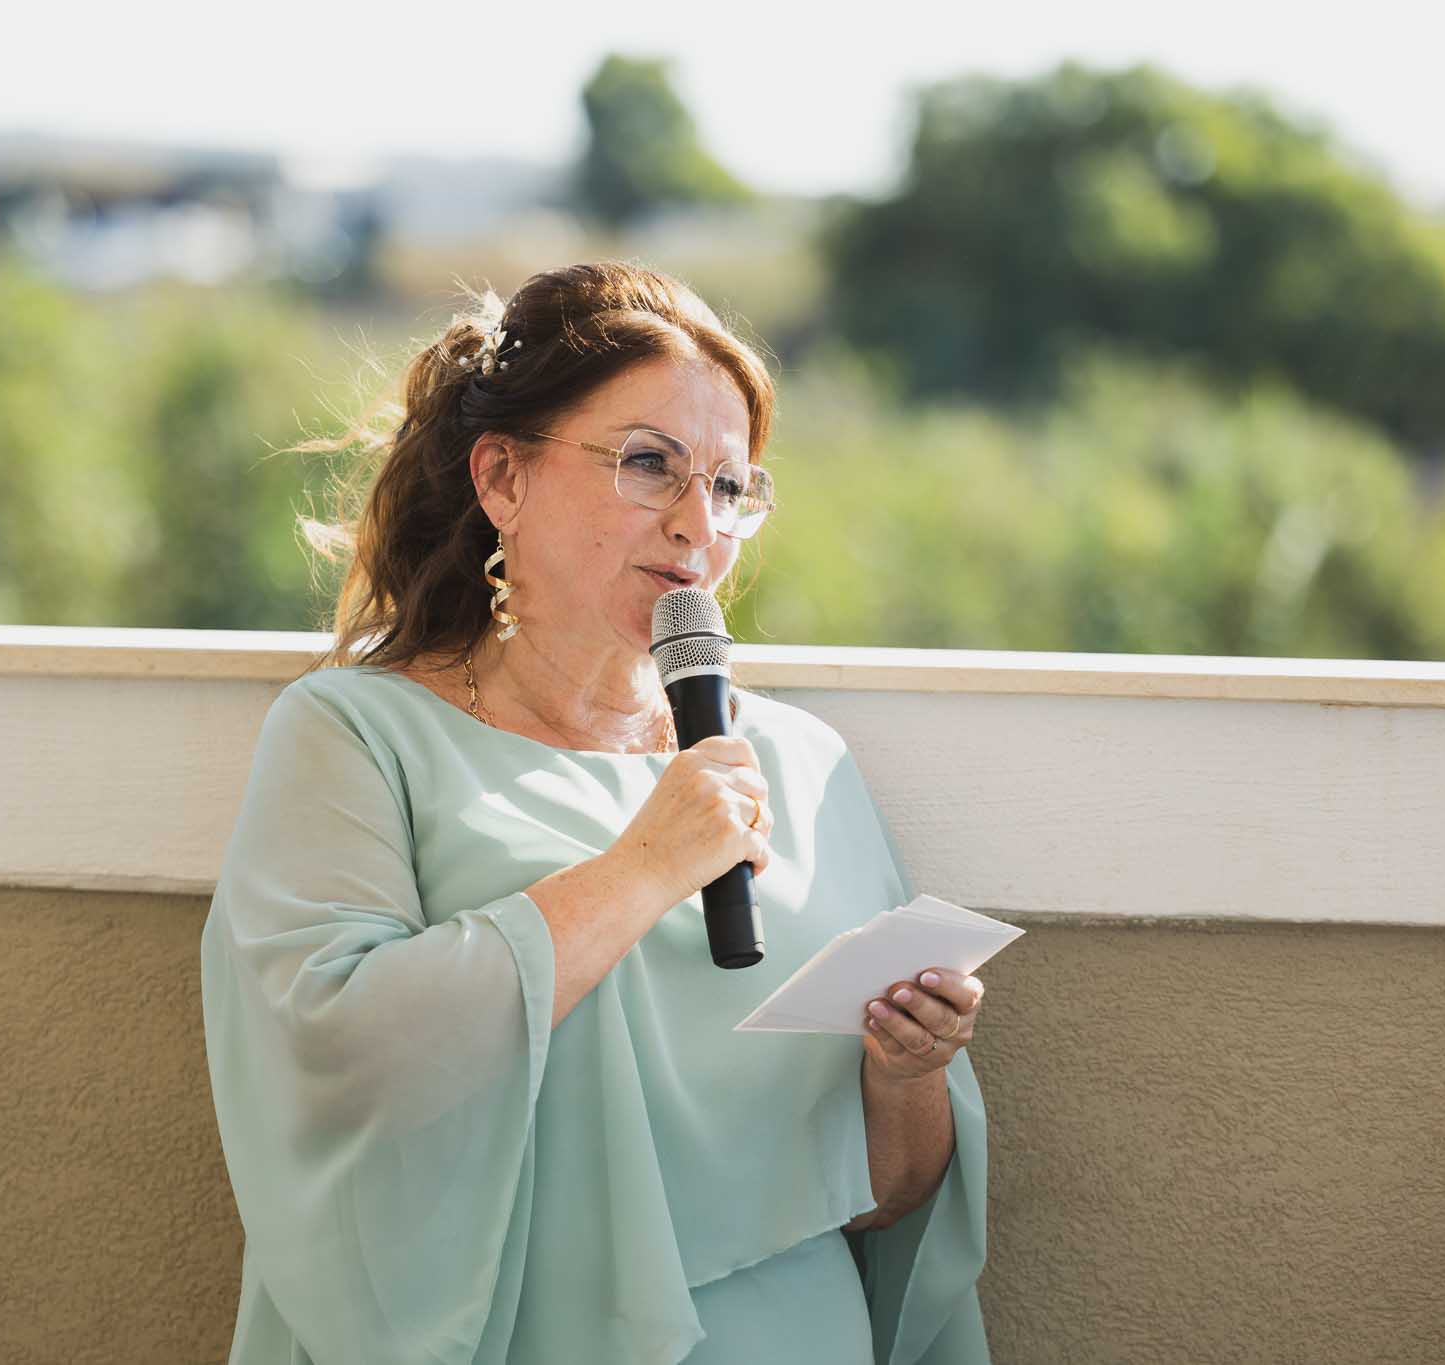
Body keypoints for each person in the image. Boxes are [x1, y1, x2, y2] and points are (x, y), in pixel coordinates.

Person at [199, 262, 991, 1364]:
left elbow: (885, 1198)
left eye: (729, 487)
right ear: (501, 477)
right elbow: (331, 1058)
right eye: (648, 463)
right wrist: (641, 869)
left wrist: (906, 1074)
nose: (696, 524)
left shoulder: (805, 765)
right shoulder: (355, 733)